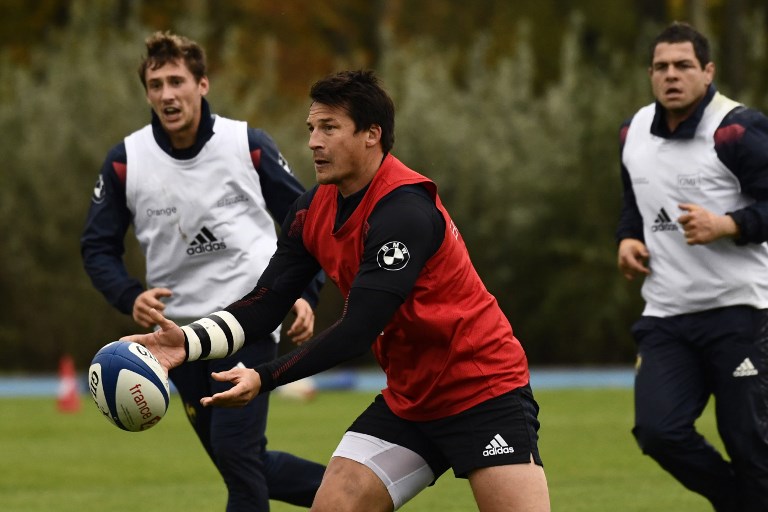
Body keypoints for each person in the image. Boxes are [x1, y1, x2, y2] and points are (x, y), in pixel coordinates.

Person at [123, 69, 551, 511]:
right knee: (334, 504)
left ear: (372, 135)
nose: (313, 141)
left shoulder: (404, 210)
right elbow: (264, 304)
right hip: (410, 400)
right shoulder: (310, 210)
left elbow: (357, 331)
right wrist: (186, 342)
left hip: (482, 390)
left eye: (329, 128)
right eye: (312, 128)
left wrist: (264, 376)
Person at [80, 31, 326, 511]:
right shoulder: (126, 161)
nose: (167, 94)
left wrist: (305, 291)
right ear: (147, 93)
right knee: (244, 462)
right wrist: (129, 296)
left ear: (203, 84)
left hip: (249, 320)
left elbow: (307, 220)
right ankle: (360, 495)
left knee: (237, 459)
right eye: (156, 84)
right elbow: (97, 245)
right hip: (177, 340)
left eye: (177, 81)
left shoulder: (246, 144)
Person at [616, 22, 768, 512]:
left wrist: (729, 224)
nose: (671, 75)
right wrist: (628, 238)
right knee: (659, 432)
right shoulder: (633, 131)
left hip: (742, 312)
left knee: (749, 442)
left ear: (708, 72)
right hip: (667, 316)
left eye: (683, 65)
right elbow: (633, 199)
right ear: (650, 74)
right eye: (661, 67)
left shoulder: (737, 130)